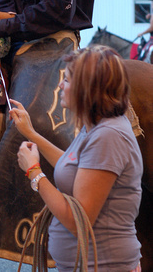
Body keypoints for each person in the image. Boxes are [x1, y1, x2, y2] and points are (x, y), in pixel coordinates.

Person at [9, 45, 143, 272]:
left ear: (87, 89)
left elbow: (77, 220)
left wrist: (34, 173)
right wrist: (31, 134)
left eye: (68, 80)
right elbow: (75, 167)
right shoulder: (97, 126)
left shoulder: (107, 136)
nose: (60, 85)